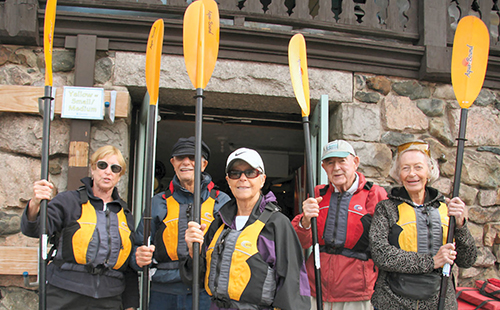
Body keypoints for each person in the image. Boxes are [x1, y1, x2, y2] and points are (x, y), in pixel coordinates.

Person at [183, 147, 311, 310]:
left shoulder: (277, 224)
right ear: (228, 180)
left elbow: (293, 284)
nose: (242, 178)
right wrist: (193, 251)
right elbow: (194, 279)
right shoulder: (218, 223)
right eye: (235, 173)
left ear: (262, 179)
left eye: (251, 172)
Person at [21, 145, 139, 310]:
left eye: (115, 168)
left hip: (109, 297)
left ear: (119, 176)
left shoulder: (125, 214)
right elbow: (34, 229)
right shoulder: (68, 201)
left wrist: (130, 305)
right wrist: (34, 204)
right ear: (92, 169)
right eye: (102, 165)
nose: (108, 172)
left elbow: (127, 265)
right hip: (65, 292)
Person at [369, 140, 477, 309]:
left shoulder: (447, 208)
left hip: (439, 301)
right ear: (398, 174)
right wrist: (431, 262)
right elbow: (381, 254)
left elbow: (467, 260)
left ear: (429, 171)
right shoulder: (386, 208)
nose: (412, 174)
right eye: (405, 168)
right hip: (393, 301)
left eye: (418, 167)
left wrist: (461, 226)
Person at [132, 136, 231, 310]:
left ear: (203, 164)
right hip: (163, 293)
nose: (186, 162)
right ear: (173, 162)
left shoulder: (221, 202)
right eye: (180, 158)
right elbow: (136, 249)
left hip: (206, 292)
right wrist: (137, 257)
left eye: (193, 157)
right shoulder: (157, 202)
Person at [291, 139, 388, 310]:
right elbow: (301, 242)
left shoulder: (374, 194)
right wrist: (305, 220)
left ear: (355, 162)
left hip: (357, 292)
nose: (336, 168)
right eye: (330, 162)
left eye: (342, 161)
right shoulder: (318, 194)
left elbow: (386, 244)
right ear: (323, 167)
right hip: (317, 288)